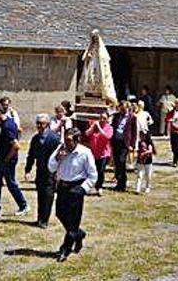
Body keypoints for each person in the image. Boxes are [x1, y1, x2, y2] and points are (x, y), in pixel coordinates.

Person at [48, 128, 97, 262]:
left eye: (69, 140)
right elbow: (50, 167)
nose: (66, 142)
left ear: (77, 140)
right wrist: (58, 157)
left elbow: (93, 175)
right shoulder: (61, 149)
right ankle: (79, 234)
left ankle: (66, 248)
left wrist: (83, 188)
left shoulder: (84, 153)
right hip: (62, 187)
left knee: (74, 219)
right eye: (65, 139)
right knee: (60, 214)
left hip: (76, 188)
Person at [0, 106, 29, 218]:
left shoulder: (7, 126)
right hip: (2, 158)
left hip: (7, 160)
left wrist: (6, 159)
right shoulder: (7, 122)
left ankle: (24, 205)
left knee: (11, 183)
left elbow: (16, 146)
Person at [25, 114, 61, 228]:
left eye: (42, 123)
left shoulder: (54, 138)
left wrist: (58, 172)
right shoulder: (35, 138)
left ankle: (44, 220)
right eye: (38, 123)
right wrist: (28, 169)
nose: (40, 126)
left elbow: (59, 157)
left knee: (48, 195)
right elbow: (31, 155)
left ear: (48, 124)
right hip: (40, 170)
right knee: (40, 195)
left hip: (51, 172)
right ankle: (40, 218)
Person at [109, 103, 136, 191]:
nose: (122, 110)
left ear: (127, 108)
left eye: (124, 109)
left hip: (125, 143)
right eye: (121, 109)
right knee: (117, 162)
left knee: (121, 161)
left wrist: (132, 145)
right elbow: (112, 127)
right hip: (116, 141)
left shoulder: (132, 117)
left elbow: (134, 132)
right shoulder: (116, 116)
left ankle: (122, 183)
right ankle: (118, 182)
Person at [84, 112, 113, 193]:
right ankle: (91, 186)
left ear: (107, 119)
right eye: (101, 117)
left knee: (100, 171)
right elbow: (86, 134)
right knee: (92, 170)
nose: (102, 120)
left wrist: (99, 127)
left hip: (103, 153)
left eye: (104, 118)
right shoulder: (95, 126)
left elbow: (107, 136)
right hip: (93, 152)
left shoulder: (109, 127)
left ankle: (99, 187)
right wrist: (93, 126)